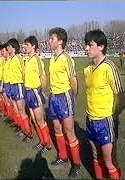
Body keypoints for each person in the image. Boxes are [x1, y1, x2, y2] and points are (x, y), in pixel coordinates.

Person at [83, 29, 125, 179]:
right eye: (85, 44)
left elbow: (121, 95)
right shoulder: (87, 69)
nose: (86, 48)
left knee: (110, 162)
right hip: (90, 119)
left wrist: (114, 115)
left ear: (101, 46)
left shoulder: (109, 67)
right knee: (96, 157)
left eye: (90, 45)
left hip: (105, 121)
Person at [47, 27, 82, 177]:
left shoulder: (66, 58)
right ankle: (62, 156)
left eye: (52, 38)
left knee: (69, 130)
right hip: (53, 97)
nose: (49, 41)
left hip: (64, 97)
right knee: (56, 128)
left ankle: (76, 163)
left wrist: (72, 100)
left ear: (60, 41)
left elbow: (74, 81)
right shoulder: (51, 58)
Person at [22, 35, 52, 153]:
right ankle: (42, 141)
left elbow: (43, 77)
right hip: (28, 91)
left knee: (40, 120)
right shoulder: (27, 60)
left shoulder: (36, 59)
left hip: (35, 92)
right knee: (34, 119)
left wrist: (41, 92)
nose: (24, 46)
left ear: (33, 46)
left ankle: (48, 144)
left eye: (27, 44)